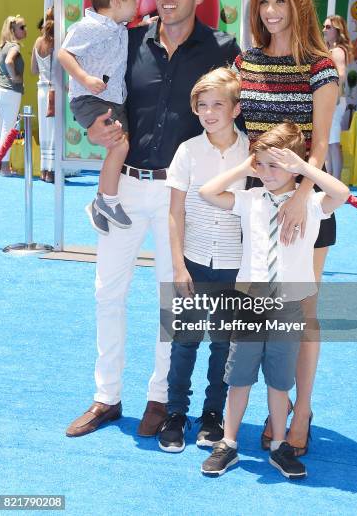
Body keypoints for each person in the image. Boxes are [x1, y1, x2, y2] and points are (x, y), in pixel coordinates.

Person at [65, 0, 241, 438]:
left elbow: (236, 117)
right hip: (123, 186)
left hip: (179, 197)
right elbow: (87, 81)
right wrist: (95, 129)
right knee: (107, 293)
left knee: (173, 298)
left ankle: (161, 399)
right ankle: (106, 397)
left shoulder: (222, 49)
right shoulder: (127, 39)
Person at [199, 122, 350, 478]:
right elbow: (208, 192)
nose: (266, 173)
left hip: (288, 304)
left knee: (280, 380)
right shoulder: (250, 200)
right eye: (262, 165)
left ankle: (280, 444)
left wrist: (304, 169)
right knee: (239, 376)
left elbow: (340, 192)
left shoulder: (310, 205)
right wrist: (245, 166)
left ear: (294, 165)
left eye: (275, 165)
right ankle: (230, 443)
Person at [232, 0, 339, 456]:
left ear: (299, 5)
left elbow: (319, 146)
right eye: (264, 2)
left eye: (281, 1)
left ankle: (304, 409)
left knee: (302, 313)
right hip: (255, 207)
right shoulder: (245, 63)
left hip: (305, 206)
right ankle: (273, 407)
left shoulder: (320, 67)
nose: (271, 12)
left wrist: (300, 196)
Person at [158, 68, 248, 453]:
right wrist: (178, 265)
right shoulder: (188, 151)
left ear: (236, 109)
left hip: (235, 264)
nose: (209, 113)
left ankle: (213, 415)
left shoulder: (252, 153)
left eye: (217, 105)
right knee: (184, 341)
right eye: (202, 106)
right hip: (192, 262)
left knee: (224, 345)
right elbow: (175, 212)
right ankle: (176, 412)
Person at [58, 0, 139, 232]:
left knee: (121, 145)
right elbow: (64, 54)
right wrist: (84, 78)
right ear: (116, 0)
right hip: (90, 99)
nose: (137, 2)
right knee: (120, 146)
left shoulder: (119, 27)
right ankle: (106, 200)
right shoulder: (89, 26)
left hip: (113, 100)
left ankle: (101, 203)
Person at [323, 15, 353, 179]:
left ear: (337, 31)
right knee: (328, 142)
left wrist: (332, 94)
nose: (324, 30)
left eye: (328, 27)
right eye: (324, 26)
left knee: (332, 143)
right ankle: (331, 179)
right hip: (332, 99)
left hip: (334, 100)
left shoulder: (338, 51)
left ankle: (336, 180)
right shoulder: (332, 50)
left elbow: (341, 75)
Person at [0, 15, 27, 176]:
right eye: (22, 27)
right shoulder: (14, 47)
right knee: (7, 129)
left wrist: (2, 77)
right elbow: (9, 62)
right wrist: (14, 76)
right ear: (13, 30)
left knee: (0, 126)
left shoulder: (1, 47)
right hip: (11, 91)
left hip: (1, 90)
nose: (25, 30)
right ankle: (4, 166)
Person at [31, 7, 56, 183]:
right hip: (53, 89)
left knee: (44, 130)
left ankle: (43, 170)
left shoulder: (37, 42)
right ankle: (52, 170)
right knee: (54, 130)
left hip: (41, 88)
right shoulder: (56, 43)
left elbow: (33, 69)